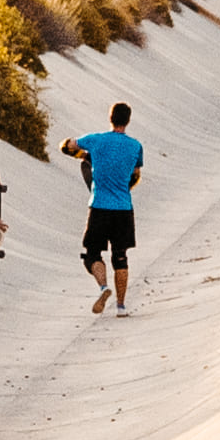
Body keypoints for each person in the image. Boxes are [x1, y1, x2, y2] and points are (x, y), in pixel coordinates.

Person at [59, 102, 144, 313]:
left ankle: (104, 287)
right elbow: (135, 175)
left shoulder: (96, 140)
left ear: (110, 118)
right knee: (120, 256)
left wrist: (85, 155)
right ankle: (121, 306)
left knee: (93, 254)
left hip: (99, 206)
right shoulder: (136, 146)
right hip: (123, 207)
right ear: (128, 120)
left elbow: (67, 146)